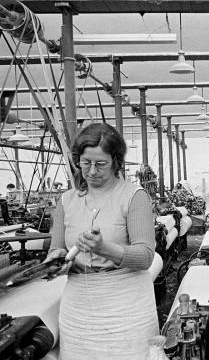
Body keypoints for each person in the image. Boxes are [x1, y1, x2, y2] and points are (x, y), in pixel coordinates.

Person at [46, 123, 158, 359]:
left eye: (101, 164)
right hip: (78, 306)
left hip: (126, 305)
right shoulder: (66, 201)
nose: (92, 171)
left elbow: (146, 256)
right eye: (86, 163)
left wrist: (104, 249)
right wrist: (56, 262)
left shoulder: (134, 197)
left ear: (116, 161)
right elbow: (56, 249)